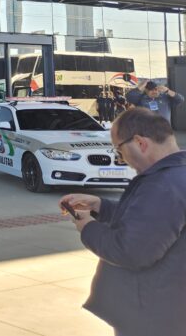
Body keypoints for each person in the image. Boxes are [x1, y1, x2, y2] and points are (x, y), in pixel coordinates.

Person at [60, 107, 186, 335]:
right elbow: (155, 219)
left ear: (140, 143)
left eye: (119, 150)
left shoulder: (162, 185)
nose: (122, 159)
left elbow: (131, 251)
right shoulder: (177, 175)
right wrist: (101, 206)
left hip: (154, 317)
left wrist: (87, 226)